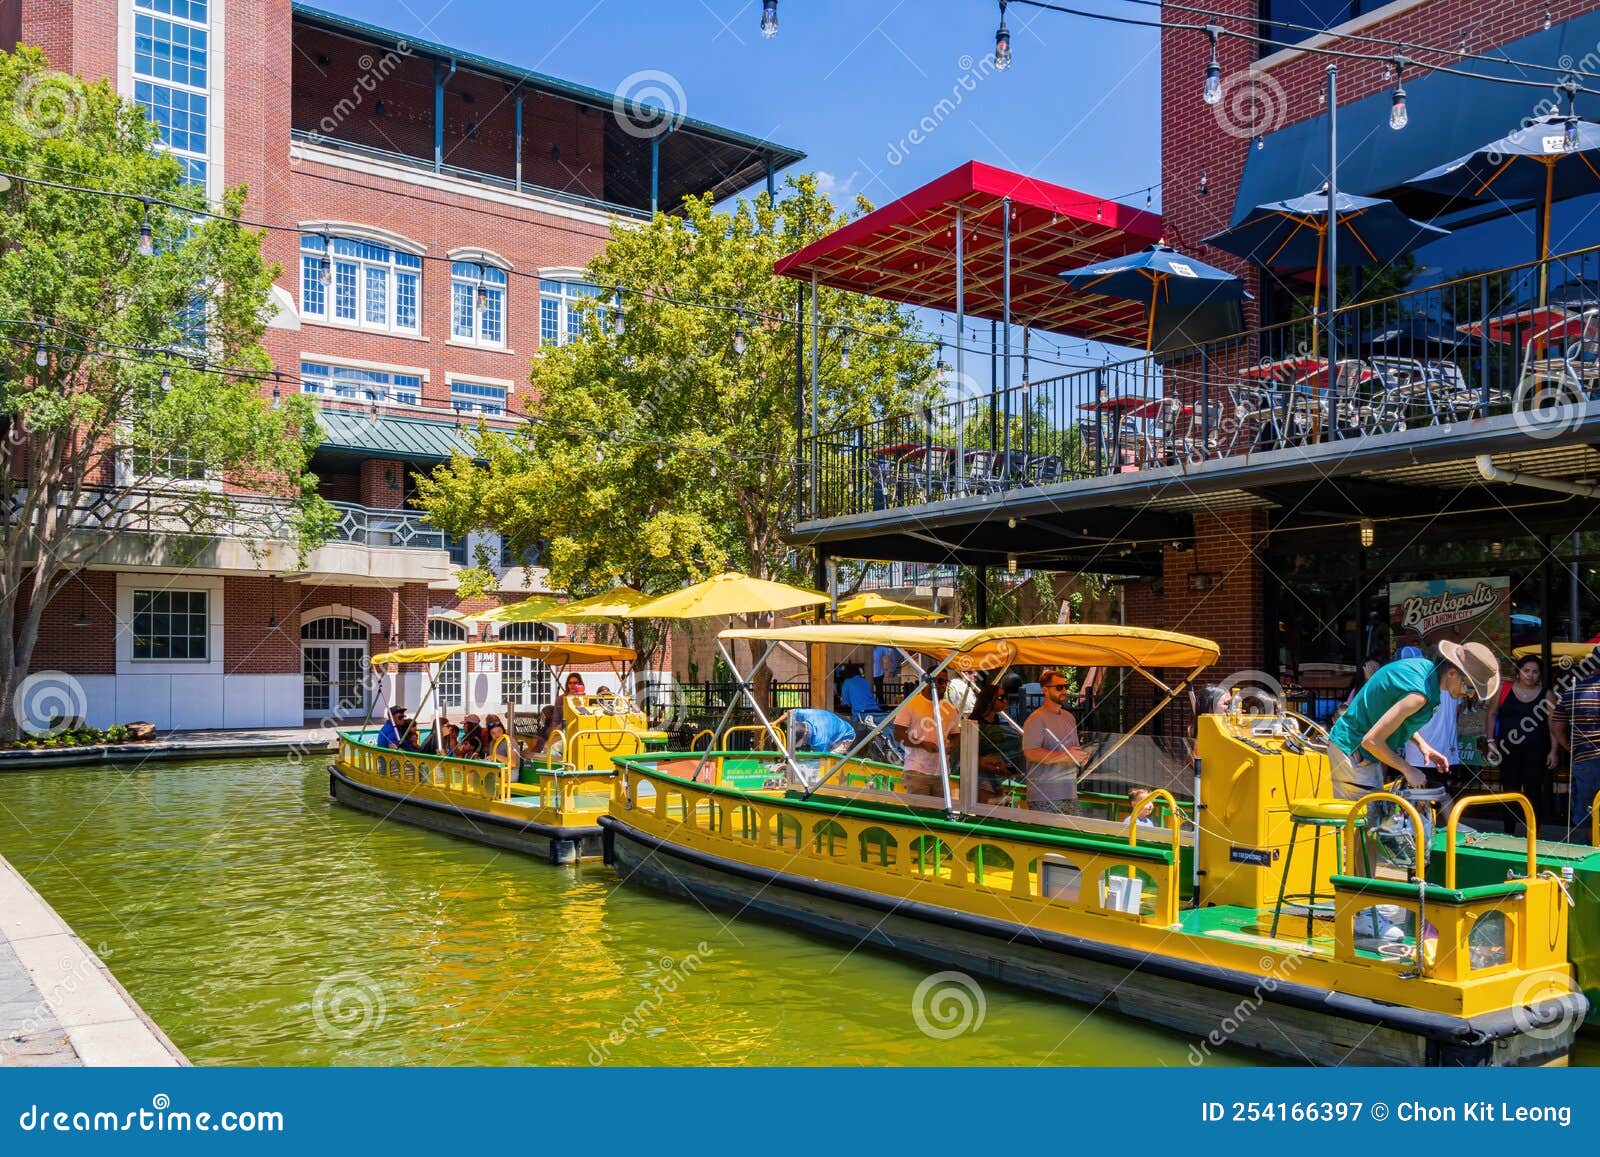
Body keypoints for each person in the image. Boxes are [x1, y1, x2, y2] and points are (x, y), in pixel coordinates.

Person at [1327, 642, 1500, 803]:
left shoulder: (1425, 671)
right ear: (1452, 673)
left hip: (1360, 751)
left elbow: (1397, 719)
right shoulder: (1419, 695)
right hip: (1353, 749)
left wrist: (1423, 745)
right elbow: (1371, 741)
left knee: (1374, 814)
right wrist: (1408, 770)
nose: (1470, 695)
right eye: (1470, 687)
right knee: (1363, 818)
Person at [1488, 656, 1555, 835]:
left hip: (1536, 753)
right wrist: (1490, 741)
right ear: (1518, 672)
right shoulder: (1503, 689)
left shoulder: (1547, 694)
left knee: (1534, 793)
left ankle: (1533, 834)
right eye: (1526, 670)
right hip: (1507, 751)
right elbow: (1491, 714)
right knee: (1509, 791)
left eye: (1535, 672)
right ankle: (1508, 833)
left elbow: (1553, 725)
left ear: (1539, 675)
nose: (1530, 675)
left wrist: (1554, 751)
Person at [1022, 669, 1091, 814]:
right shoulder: (1036, 719)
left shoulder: (1069, 717)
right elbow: (1031, 752)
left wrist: (1082, 756)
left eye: (1066, 686)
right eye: (1059, 687)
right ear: (1045, 690)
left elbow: (1073, 750)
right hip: (1044, 795)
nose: (1064, 690)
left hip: (1069, 791)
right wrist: (1066, 756)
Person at [1551, 648, 1600, 840]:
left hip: (1584, 758)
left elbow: (1556, 726)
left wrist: (1570, 747)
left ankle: (1591, 848)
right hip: (1586, 758)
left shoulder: (1572, 690)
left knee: (1588, 811)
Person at [893, 670, 960, 798]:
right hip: (917, 770)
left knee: (941, 810)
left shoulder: (950, 709)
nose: (943, 685)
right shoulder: (911, 703)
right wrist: (923, 744)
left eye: (946, 682)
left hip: (942, 771)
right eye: (940, 681)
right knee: (919, 810)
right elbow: (898, 734)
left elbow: (956, 734)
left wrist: (950, 745)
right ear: (928, 681)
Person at [775, 707, 857, 755]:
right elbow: (790, 713)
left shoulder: (820, 741)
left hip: (846, 735)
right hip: (830, 726)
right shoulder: (806, 715)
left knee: (831, 758)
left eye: (802, 741)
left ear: (806, 733)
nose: (803, 743)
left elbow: (822, 759)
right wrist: (775, 723)